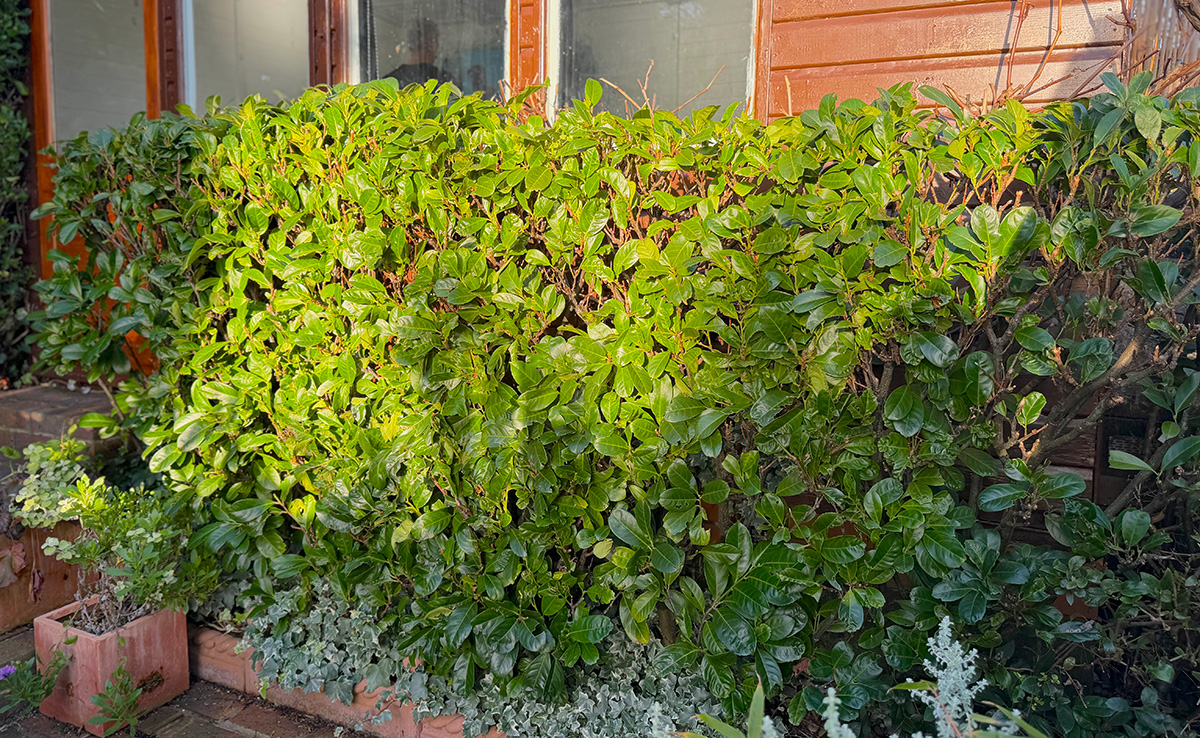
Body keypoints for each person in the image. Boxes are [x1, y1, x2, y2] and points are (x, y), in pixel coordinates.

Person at [383, 19, 454, 87]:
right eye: (436, 41)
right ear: (430, 43)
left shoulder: (387, 83)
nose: (438, 47)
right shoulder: (444, 82)